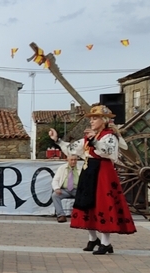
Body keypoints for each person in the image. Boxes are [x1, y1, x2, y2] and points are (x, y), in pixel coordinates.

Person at [48, 104, 136, 255]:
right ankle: (93, 238)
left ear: (104, 120)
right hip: (89, 171)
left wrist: (94, 140)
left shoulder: (110, 136)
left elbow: (107, 151)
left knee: (103, 204)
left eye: (95, 118)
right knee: (87, 203)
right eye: (92, 118)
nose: (91, 121)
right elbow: (73, 148)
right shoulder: (90, 136)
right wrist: (58, 140)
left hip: (103, 172)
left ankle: (106, 243)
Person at [50, 154, 79, 223]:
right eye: (71, 160)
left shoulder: (81, 168)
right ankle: (61, 215)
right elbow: (55, 180)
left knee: (86, 196)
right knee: (55, 195)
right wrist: (56, 188)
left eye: (75, 160)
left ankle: (79, 216)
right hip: (65, 190)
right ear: (67, 160)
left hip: (77, 190)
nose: (73, 161)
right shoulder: (62, 168)